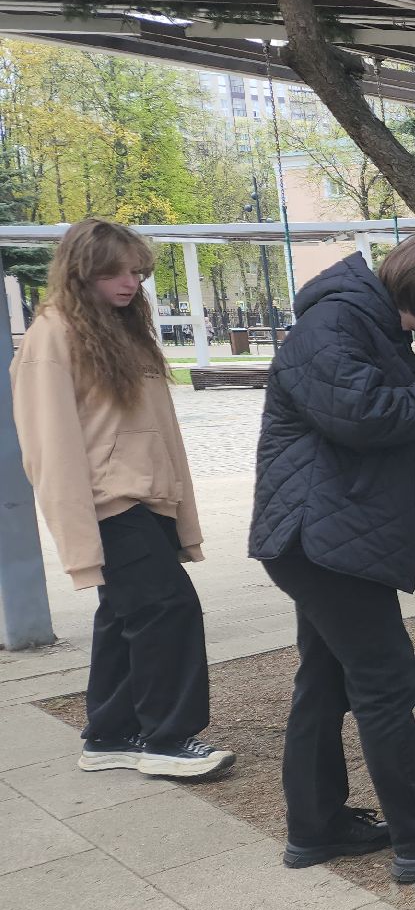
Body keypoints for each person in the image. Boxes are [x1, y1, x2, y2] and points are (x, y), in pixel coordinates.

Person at [250, 233, 415, 882]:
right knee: (385, 680)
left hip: (329, 545)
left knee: (326, 679)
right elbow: (365, 417)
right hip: (320, 543)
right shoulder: (334, 322)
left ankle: (316, 827)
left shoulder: (388, 345)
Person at [13, 218, 234, 779]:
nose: (129, 282)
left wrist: (178, 505)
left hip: (148, 497)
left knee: (124, 614)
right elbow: (50, 441)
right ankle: (166, 740)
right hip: (110, 502)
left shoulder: (124, 327)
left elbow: (156, 428)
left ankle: (110, 734)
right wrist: (77, 534)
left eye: (135, 271)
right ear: (82, 270)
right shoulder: (54, 333)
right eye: (114, 271)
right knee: (168, 609)